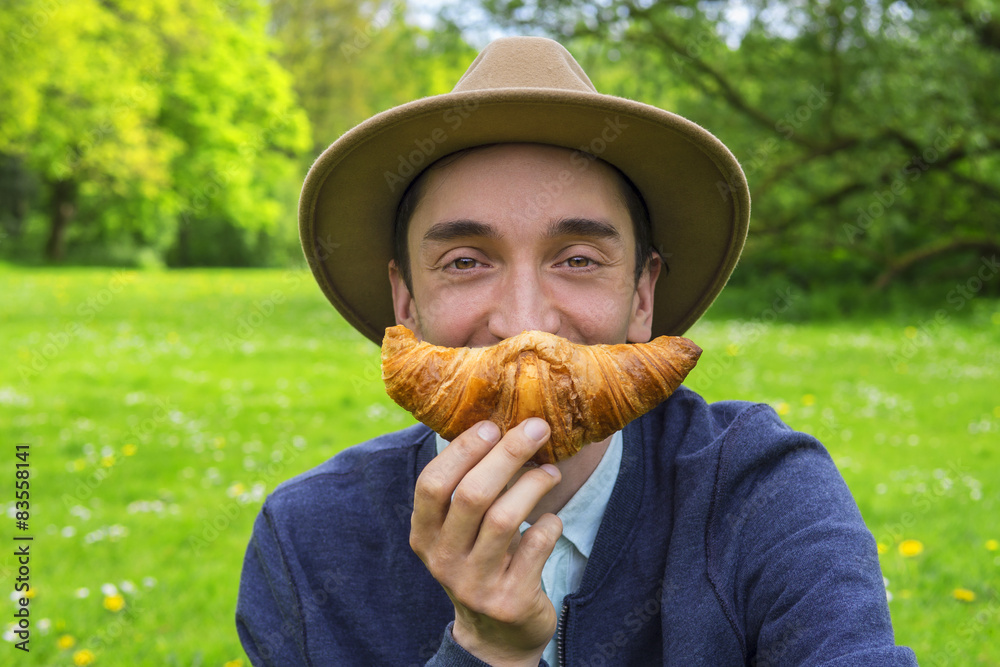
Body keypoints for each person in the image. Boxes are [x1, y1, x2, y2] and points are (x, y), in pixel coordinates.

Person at [236, 36, 918, 666]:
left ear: (643, 294)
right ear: (407, 301)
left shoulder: (759, 491)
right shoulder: (306, 543)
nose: (526, 323)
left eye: (580, 259)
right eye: (467, 261)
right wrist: (484, 650)